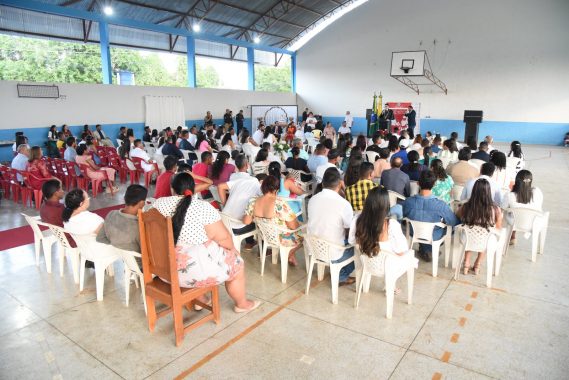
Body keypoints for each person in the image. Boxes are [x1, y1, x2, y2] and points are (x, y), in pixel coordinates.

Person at [153, 173, 259, 312]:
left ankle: (200, 299)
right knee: (237, 264)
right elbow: (223, 238)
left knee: (194, 253)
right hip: (192, 274)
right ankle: (242, 304)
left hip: (164, 270)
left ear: (172, 189)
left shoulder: (158, 204)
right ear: (193, 188)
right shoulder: (202, 208)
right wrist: (233, 251)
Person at [308, 168, 355, 285]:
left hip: (314, 248)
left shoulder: (312, 199)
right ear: (340, 184)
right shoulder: (343, 204)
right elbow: (350, 229)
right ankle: (342, 276)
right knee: (359, 247)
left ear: (323, 183)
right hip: (333, 253)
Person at [243, 175, 303, 266]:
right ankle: (290, 253)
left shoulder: (253, 201)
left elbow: (246, 221)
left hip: (265, 237)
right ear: (277, 189)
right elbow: (293, 226)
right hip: (282, 239)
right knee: (304, 236)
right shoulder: (279, 203)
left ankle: (290, 254)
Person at [403, 170, 460, 262]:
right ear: (434, 185)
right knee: (451, 228)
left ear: (418, 183)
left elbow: (402, 215)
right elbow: (454, 222)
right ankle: (428, 249)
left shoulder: (408, 202)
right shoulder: (441, 205)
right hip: (434, 236)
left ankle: (425, 249)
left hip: (414, 233)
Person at [456, 179, 503, 274]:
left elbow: (457, 216)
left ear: (474, 191)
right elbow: (498, 228)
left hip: (467, 239)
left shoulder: (466, 206)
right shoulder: (495, 209)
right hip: (484, 241)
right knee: (488, 236)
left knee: (469, 232)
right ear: (488, 192)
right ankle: (477, 265)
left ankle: (466, 263)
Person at [97, 184, 147, 257]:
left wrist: (116, 248)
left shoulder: (111, 214)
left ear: (124, 198)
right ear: (142, 203)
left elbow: (100, 238)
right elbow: (146, 252)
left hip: (118, 260)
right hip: (137, 265)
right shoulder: (139, 227)